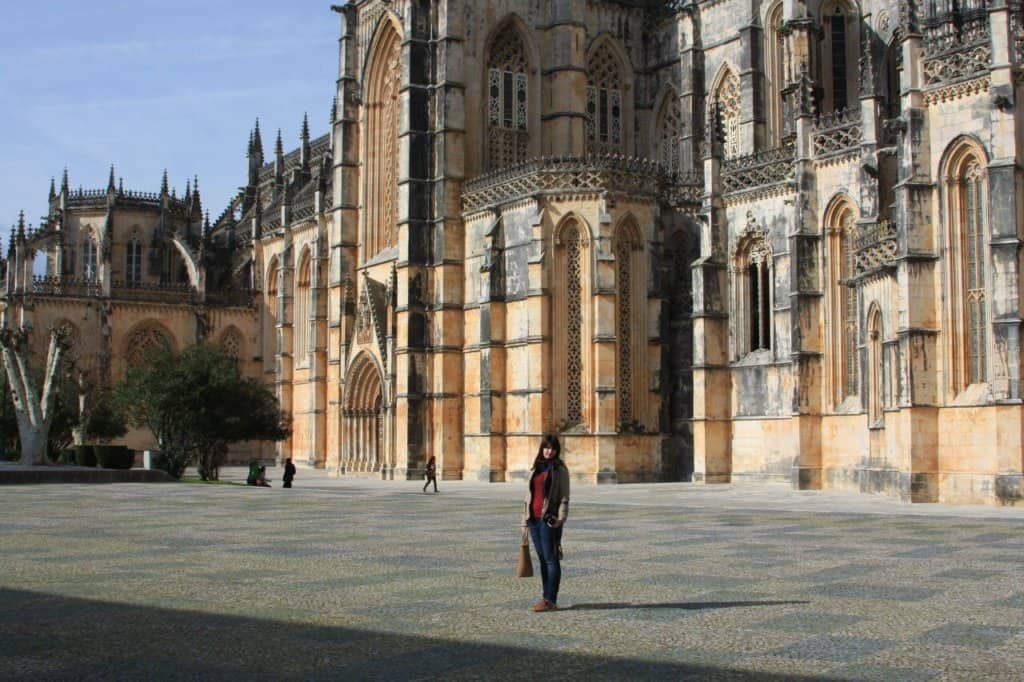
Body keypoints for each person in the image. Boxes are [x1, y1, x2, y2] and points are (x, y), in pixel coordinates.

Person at [520, 434, 569, 612]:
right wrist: (524, 520)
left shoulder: (559, 469)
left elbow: (565, 497)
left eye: (552, 448)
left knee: (551, 559)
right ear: (542, 448)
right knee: (542, 559)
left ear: (556, 451)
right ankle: (545, 597)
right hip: (533, 519)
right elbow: (528, 495)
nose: (549, 451)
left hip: (548, 520)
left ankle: (550, 600)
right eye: (546, 447)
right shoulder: (537, 467)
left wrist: (560, 519)